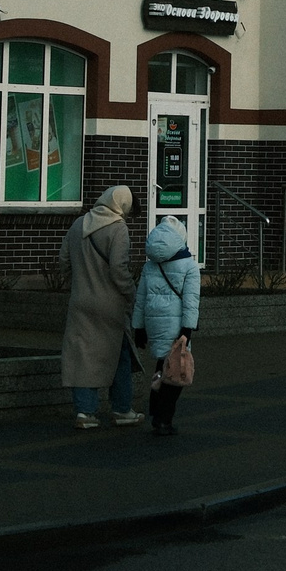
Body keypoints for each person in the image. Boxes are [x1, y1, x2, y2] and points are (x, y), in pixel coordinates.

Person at [61, 185, 142, 429]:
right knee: (119, 354)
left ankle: (85, 413)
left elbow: (63, 259)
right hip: (110, 305)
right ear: (122, 205)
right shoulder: (118, 229)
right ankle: (121, 409)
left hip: (80, 302)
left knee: (83, 356)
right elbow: (119, 269)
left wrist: (78, 283)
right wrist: (131, 292)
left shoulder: (79, 224)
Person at [134, 214, 202, 437]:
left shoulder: (150, 266)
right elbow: (191, 302)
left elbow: (140, 299)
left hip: (153, 324)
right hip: (176, 326)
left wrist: (139, 328)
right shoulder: (190, 266)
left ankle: (156, 414)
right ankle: (163, 419)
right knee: (177, 373)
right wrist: (187, 329)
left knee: (162, 367)